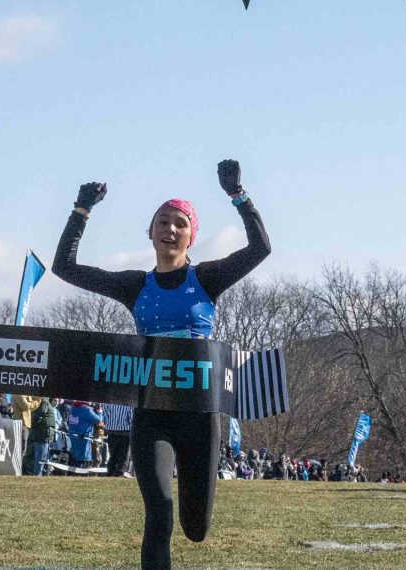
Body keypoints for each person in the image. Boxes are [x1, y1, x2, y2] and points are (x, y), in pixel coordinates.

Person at [52, 159, 270, 569]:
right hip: (152, 413)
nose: (170, 229)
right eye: (163, 222)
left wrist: (238, 196)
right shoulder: (136, 285)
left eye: (179, 223)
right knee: (159, 511)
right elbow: (65, 268)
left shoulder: (206, 279)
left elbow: (261, 249)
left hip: (200, 416)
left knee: (195, 528)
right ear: (150, 232)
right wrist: (81, 211)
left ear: (191, 237)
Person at [68, 401, 104, 470]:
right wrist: (99, 412)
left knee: (75, 456)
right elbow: (98, 420)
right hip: (83, 437)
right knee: (83, 458)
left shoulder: (73, 407)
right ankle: (80, 472)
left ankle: (73, 472)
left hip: (73, 435)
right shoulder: (87, 410)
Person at [103, 403, 133, 477]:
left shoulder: (108, 402)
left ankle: (110, 471)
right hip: (124, 431)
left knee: (113, 454)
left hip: (111, 430)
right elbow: (131, 417)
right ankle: (120, 472)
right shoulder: (128, 403)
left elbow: (105, 415)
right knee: (123, 455)